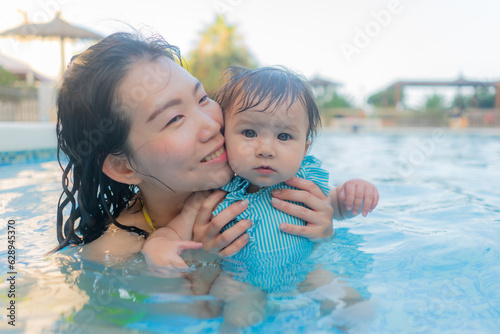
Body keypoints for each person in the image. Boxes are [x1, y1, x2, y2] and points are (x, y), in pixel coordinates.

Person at [54, 32, 337, 272]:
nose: (212, 124)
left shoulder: (262, 177)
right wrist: (201, 264)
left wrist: (320, 233)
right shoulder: (113, 258)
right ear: (123, 167)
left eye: (203, 98)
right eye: (175, 118)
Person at [204, 66, 378, 329]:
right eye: (249, 133)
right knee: (236, 323)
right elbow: (179, 228)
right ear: (224, 136)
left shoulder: (307, 183)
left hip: (304, 273)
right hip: (242, 280)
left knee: (355, 306)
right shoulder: (217, 186)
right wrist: (164, 241)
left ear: (304, 148)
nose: (265, 149)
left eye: (284, 136)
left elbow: (337, 206)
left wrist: (353, 192)